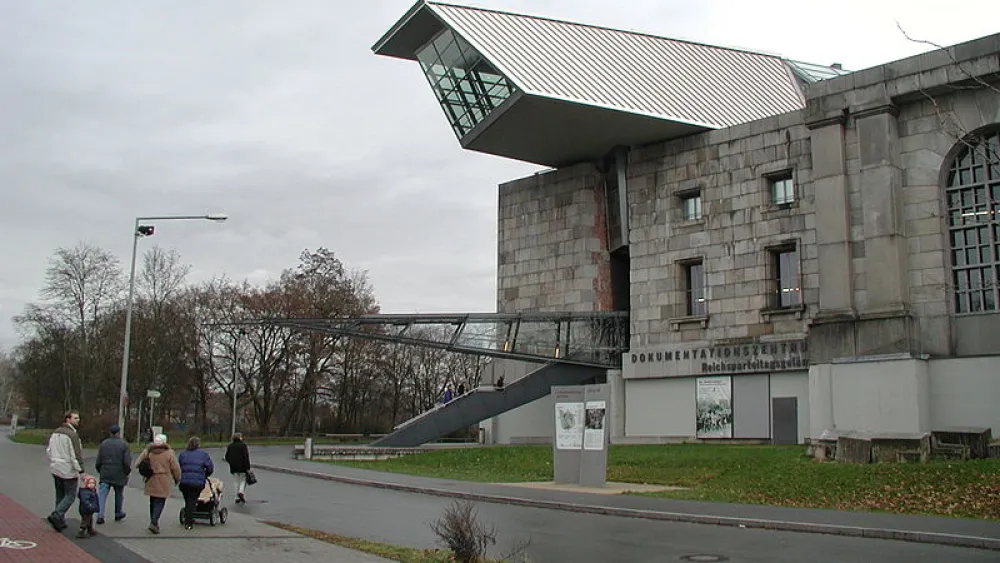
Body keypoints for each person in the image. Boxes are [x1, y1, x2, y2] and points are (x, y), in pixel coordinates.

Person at [46, 410, 85, 531]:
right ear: (68, 419)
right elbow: (75, 454)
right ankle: (57, 514)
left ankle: (60, 521)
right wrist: (81, 470)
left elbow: (49, 450)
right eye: (75, 418)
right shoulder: (72, 435)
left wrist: (53, 460)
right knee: (70, 495)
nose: (78, 420)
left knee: (60, 494)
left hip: (55, 467)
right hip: (67, 469)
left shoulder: (55, 433)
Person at [135, 433, 181, 535]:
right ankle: (154, 522)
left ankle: (153, 521)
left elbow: (137, 463)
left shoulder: (148, 451)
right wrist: (177, 479)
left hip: (151, 478)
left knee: (153, 500)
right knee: (160, 501)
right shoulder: (169, 453)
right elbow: (175, 468)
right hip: (163, 479)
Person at [95, 424, 131, 524]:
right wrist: (127, 472)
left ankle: (100, 514)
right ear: (119, 433)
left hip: (105, 472)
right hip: (119, 474)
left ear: (110, 433)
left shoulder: (104, 444)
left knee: (102, 494)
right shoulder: (124, 445)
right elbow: (127, 462)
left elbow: (99, 461)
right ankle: (118, 512)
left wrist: (100, 470)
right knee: (119, 494)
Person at [177, 436, 214, 530]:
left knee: (188, 500)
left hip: (184, 482)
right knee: (192, 500)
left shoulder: (183, 454)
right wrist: (205, 475)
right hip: (197, 482)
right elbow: (210, 468)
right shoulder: (203, 455)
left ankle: (188, 515)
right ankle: (188, 522)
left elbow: (180, 466)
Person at [224, 433, 252, 504]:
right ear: (240, 438)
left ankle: (236, 497)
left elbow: (227, 457)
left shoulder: (230, 446)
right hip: (242, 466)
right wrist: (247, 467)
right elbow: (246, 457)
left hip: (233, 467)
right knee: (243, 480)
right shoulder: (243, 445)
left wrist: (231, 462)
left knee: (236, 481)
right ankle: (241, 492)